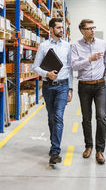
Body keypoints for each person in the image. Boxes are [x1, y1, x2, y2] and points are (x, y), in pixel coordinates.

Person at [71, 19, 106, 165]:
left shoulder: (102, 44)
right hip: (84, 86)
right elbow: (74, 66)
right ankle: (88, 146)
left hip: (100, 85)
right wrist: (89, 59)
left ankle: (100, 150)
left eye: (93, 28)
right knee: (86, 118)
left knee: (101, 117)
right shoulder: (76, 46)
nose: (92, 31)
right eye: (89, 28)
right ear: (82, 31)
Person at [33, 17, 73, 165]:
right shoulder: (43, 46)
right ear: (51, 29)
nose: (61, 30)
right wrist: (47, 74)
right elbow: (35, 67)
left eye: (62, 28)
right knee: (51, 118)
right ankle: (53, 143)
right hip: (48, 86)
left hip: (62, 86)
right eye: (58, 28)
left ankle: (55, 151)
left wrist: (70, 89)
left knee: (58, 117)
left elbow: (69, 69)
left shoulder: (68, 46)